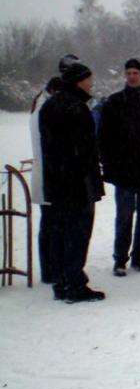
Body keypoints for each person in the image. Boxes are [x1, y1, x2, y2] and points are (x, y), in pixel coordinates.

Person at [39, 60, 105, 303]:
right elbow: (82, 150)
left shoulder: (50, 106)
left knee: (58, 233)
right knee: (77, 235)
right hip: (76, 184)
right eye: (88, 80)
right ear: (78, 81)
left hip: (55, 183)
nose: (91, 84)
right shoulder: (76, 108)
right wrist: (87, 179)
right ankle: (75, 284)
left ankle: (61, 282)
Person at [98, 58, 140, 277]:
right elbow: (104, 137)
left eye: (136, 72)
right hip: (123, 171)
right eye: (128, 72)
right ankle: (120, 259)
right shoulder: (114, 102)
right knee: (124, 216)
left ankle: (139, 256)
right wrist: (109, 164)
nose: (132, 76)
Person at [29, 74, 64, 284]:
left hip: (46, 174)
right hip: (49, 175)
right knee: (52, 224)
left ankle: (49, 268)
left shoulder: (40, 106)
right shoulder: (45, 111)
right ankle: (51, 269)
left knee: (49, 223)